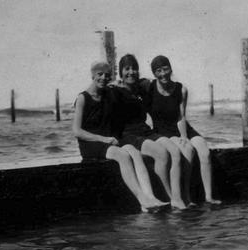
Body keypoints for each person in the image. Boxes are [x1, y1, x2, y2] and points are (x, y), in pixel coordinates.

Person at [72, 61, 167, 212]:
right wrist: (103, 139)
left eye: (107, 75)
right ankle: (141, 199)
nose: (103, 77)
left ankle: (150, 197)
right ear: (92, 75)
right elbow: (77, 131)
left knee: (134, 152)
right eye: (100, 74)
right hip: (90, 144)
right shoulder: (83, 98)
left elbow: (124, 93)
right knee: (123, 155)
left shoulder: (107, 94)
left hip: (108, 142)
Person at [113, 54, 190, 210]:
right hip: (128, 135)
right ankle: (170, 197)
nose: (131, 72)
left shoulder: (141, 88)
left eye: (134, 68)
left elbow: (156, 84)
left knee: (175, 151)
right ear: (120, 72)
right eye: (127, 69)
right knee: (161, 153)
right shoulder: (115, 91)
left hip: (145, 131)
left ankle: (177, 197)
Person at [147, 55, 221, 204]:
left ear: (171, 69)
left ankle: (208, 196)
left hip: (181, 127)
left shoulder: (181, 89)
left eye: (166, 69)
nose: (163, 74)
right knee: (188, 151)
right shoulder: (149, 87)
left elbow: (181, 116)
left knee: (205, 152)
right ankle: (187, 195)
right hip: (163, 131)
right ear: (154, 73)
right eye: (158, 71)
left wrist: (184, 136)